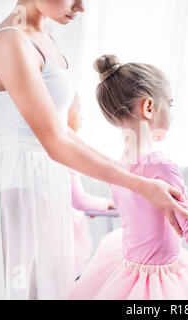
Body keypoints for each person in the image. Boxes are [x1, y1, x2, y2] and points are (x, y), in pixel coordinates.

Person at [0, 0, 188, 300]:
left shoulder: (45, 37)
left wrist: (126, 171)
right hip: (19, 187)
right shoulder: (11, 42)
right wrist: (141, 185)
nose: (81, 6)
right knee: (20, 291)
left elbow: (62, 130)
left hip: (45, 180)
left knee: (44, 289)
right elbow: (55, 141)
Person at [71, 55, 188, 300]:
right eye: (169, 104)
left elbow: (152, 220)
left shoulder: (118, 165)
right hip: (156, 285)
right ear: (149, 107)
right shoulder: (161, 165)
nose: (171, 112)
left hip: (126, 274)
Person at [67, 94, 115, 278]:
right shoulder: (66, 152)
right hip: (63, 236)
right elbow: (79, 200)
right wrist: (106, 203)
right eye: (78, 109)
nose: (82, 116)